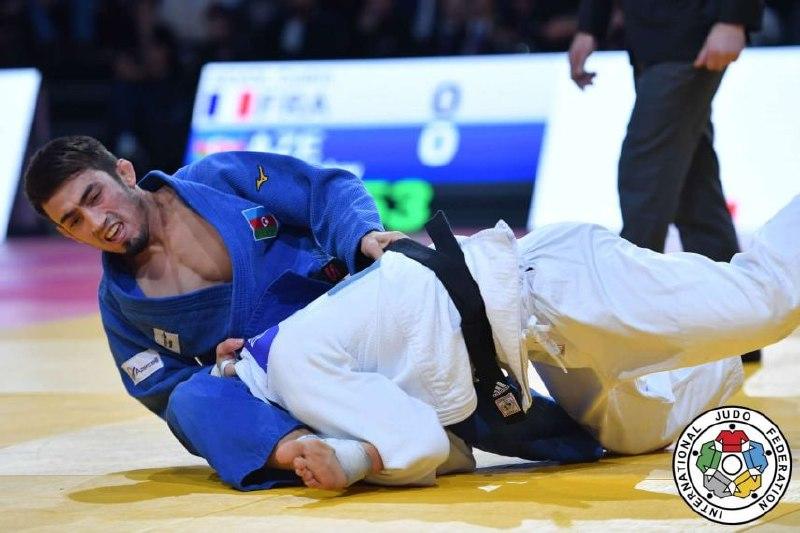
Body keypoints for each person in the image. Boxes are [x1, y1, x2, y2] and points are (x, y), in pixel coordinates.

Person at [211, 187, 800, 490]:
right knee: (630, 431)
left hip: (556, 287)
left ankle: (716, 328)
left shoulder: (292, 367)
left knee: (771, 301)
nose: (280, 452)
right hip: (538, 334)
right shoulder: (289, 360)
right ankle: (715, 355)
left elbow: (421, 442)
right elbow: (456, 451)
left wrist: (351, 461)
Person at [22, 135, 407, 490]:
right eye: (74, 221)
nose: (95, 222)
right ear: (67, 234)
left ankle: (362, 437)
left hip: (351, 325)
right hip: (283, 389)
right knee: (188, 402)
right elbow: (165, 388)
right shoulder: (121, 306)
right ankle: (307, 450)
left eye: (94, 196)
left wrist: (362, 235)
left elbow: (321, 190)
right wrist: (219, 371)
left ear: (124, 173)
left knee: (420, 272)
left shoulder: (219, 178)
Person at [568, 1, 764, 361]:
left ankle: (629, 326)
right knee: (694, 190)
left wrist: (735, 18)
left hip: (695, 32)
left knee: (645, 173)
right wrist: (590, 25)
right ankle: (738, 335)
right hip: (653, 40)